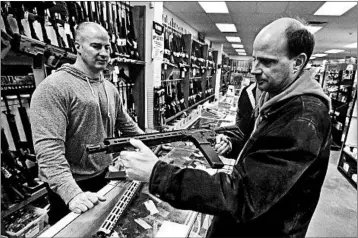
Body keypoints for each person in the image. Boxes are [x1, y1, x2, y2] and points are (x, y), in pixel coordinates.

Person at [119, 17, 332, 237]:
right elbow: (263, 152)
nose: (254, 70)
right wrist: (232, 145)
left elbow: (243, 196)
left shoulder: (304, 118)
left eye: (267, 62)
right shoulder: (280, 100)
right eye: (254, 59)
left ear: (297, 62)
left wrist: (157, 174)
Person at [30, 22, 144, 225]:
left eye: (107, 47)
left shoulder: (109, 88)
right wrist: (71, 194)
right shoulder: (54, 88)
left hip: (104, 175)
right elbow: (48, 150)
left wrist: (152, 145)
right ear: (77, 46)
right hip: (70, 183)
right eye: (96, 46)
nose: (104, 53)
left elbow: (127, 125)